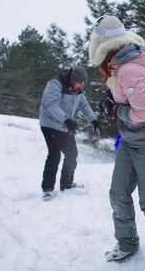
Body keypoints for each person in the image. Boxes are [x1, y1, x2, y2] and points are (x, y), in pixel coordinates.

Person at [88, 15, 145, 262]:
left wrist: (117, 110)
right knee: (118, 193)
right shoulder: (120, 64)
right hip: (131, 138)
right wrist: (112, 100)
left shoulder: (129, 69)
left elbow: (144, 113)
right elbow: (129, 97)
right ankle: (127, 242)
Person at [38, 67, 99, 200]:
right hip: (49, 124)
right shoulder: (55, 84)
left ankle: (66, 184)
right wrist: (66, 119)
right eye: (80, 83)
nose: (81, 86)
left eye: (83, 84)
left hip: (65, 126)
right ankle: (47, 189)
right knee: (54, 154)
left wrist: (93, 120)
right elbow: (50, 105)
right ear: (72, 80)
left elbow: (84, 105)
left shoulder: (78, 91)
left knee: (72, 154)